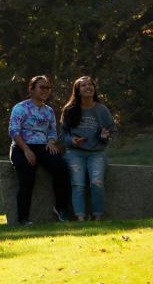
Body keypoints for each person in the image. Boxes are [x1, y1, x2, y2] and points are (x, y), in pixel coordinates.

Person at [8, 75, 73, 224]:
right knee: (27, 177)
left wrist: (51, 142)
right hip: (21, 146)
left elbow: (51, 131)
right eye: (41, 87)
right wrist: (26, 150)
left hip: (43, 147)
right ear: (31, 89)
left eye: (47, 88)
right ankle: (23, 218)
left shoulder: (48, 111)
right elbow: (14, 132)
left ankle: (60, 208)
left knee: (62, 168)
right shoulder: (20, 108)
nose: (45, 91)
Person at [59, 75, 117, 221]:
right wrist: (72, 140)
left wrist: (105, 136)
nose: (88, 87)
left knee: (96, 182)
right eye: (83, 85)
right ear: (77, 91)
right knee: (78, 184)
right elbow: (62, 135)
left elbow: (112, 131)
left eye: (90, 85)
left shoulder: (102, 109)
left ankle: (97, 217)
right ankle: (80, 218)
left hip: (96, 153)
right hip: (74, 153)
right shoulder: (69, 109)